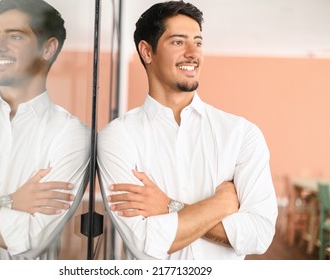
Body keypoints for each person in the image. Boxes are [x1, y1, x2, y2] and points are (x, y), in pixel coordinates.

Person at [97, 0, 278, 260]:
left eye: (199, 42)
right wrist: (222, 204)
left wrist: (170, 207)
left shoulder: (242, 134)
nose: (194, 53)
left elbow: (259, 235)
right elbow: (143, 241)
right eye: (178, 42)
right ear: (147, 52)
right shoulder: (117, 137)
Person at [0, 0, 90, 259]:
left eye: (15, 36)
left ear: (48, 48)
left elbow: (30, 240)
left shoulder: (71, 134)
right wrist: (8, 202)